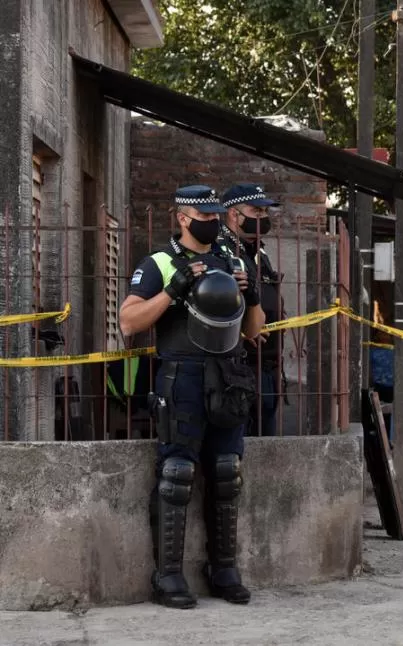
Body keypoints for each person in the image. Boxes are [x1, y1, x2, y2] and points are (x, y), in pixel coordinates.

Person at [120, 185, 265, 609]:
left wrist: (252, 294)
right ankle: (167, 576)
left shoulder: (233, 260)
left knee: (226, 472)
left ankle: (223, 570)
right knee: (177, 474)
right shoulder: (160, 263)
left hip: (228, 375)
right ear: (183, 218)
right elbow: (128, 322)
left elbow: (254, 331)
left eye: (219, 214)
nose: (215, 221)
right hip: (181, 376)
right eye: (207, 215)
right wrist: (173, 290)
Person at [220, 183, 284, 436]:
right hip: (239, 367)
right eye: (256, 211)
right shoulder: (221, 249)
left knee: (265, 441)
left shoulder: (258, 251)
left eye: (264, 212)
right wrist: (244, 332)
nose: (263, 218)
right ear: (234, 214)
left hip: (266, 366)